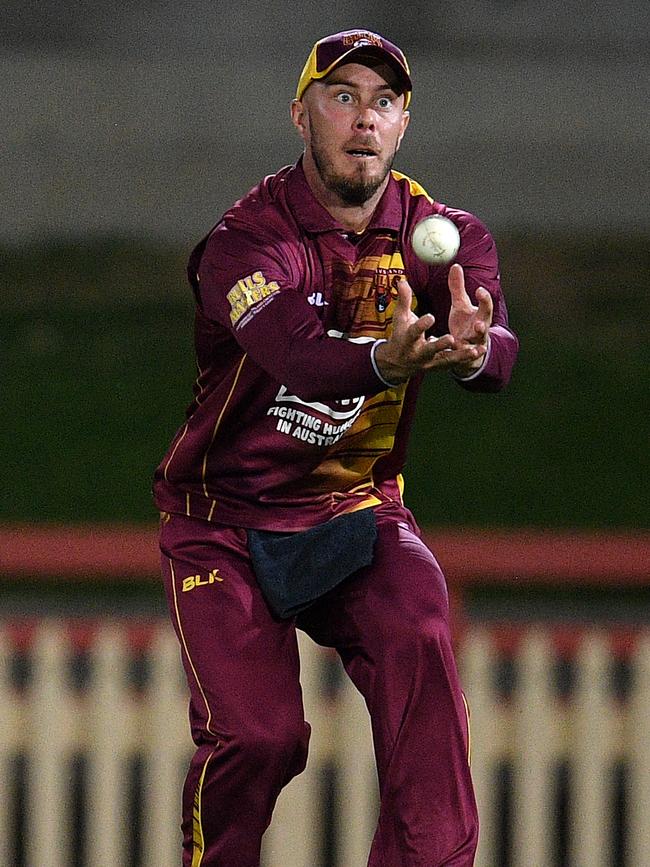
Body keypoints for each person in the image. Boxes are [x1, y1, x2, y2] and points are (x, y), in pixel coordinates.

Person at [153, 28, 519, 867]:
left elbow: (499, 357)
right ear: (300, 115)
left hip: (354, 513)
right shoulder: (247, 241)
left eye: (383, 102)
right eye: (342, 96)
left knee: (420, 629)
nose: (363, 120)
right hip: (226, 522)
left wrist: (472, 350)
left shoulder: (445, 237)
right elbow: (304, 362)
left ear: (403, 127)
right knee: (262, 736)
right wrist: (387, 359)